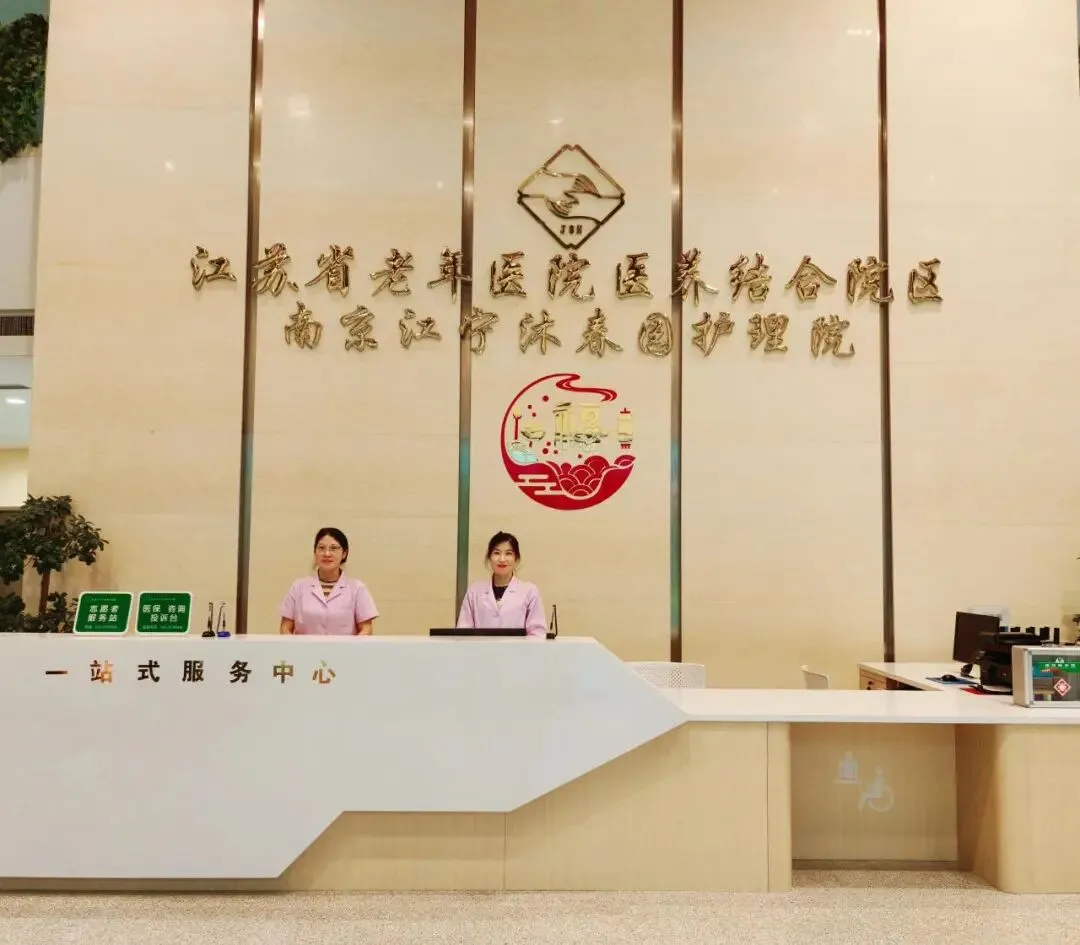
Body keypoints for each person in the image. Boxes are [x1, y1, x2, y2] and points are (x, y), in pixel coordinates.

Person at [279, 527, 378, 635]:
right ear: (315, 552)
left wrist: (353, 646)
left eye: (334, 548)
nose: (327, 554)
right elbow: (285, 627)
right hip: (304, 647)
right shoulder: (298, 587)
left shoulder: (357, 588)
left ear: (344, 553)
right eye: (321, 548)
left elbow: (366, 628)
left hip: (345, 647)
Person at [457, 531, 546, 636]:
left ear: (516, 558)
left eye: (508, 553)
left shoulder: (529, 591)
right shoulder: (475, 591)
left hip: (518, 647)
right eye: (496, 553)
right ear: (489, 557)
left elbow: (537, 633)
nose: (502, 559)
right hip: (481, 647)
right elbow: (463, 632)